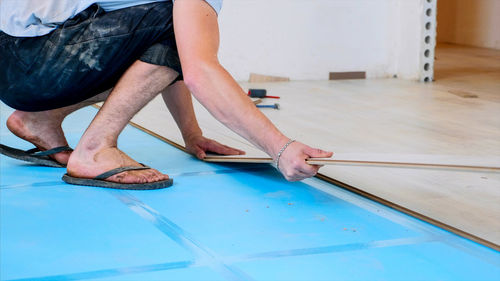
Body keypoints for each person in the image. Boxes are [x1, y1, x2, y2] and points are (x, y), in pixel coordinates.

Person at [0, 0, 333, 189]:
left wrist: (192, 133)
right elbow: (198, 71)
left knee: (172, 29)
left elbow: (164, 54)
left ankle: (41, 118)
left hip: (16, 57)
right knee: (179, 29)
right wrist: (280, 148)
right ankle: (94, 150)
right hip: (31, 57)